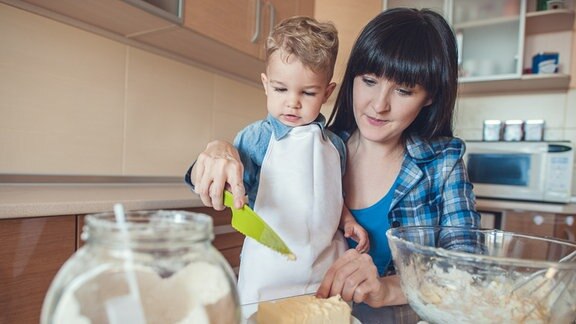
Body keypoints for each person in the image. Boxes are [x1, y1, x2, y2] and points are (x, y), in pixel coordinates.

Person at [187, 7, 480, 321]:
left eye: (403, 90)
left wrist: (387, 289)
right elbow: (217, 173)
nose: (379, 105)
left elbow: (468, 273)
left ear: (430, 97)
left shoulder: (442, 163)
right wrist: (219, 150)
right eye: (369, 81)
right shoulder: (318, 144)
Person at [185, 16, 368, 305]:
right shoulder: (258, 138)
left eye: (308, 92)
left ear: (327, 93)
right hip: (269, 272)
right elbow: (223, 179)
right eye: (281, 89)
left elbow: (333, 195)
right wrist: (213, 177)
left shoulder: (335, 145)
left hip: (325, 268)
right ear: (266, 84)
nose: (293, 102)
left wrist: (347, 220)